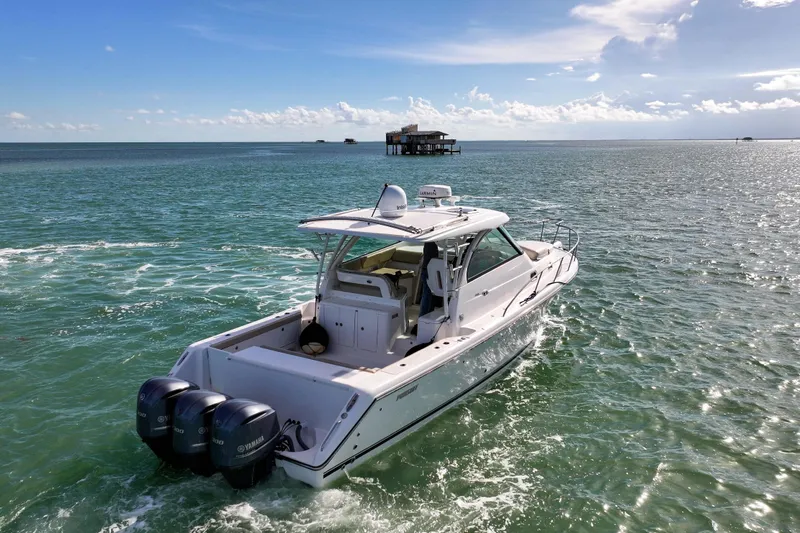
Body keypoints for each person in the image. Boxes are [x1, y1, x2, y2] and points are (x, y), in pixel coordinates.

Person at [418, 241, 439, 317]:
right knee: (427, 295)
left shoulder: (428, 244)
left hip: (427, 270)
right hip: (429, 271)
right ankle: (423, 315)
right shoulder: (431, 245)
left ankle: (426, 315)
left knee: (427, 294)